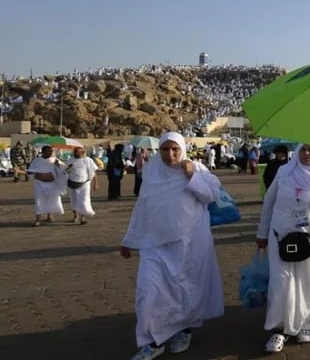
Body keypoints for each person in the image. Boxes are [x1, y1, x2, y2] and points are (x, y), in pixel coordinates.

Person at [120, 132, 224, 360]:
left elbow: (211, 196)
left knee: (185, 290)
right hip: (155, 245)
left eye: (175, 149)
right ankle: (151, 341)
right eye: (165, 149)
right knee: (148, 292)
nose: (170, 154)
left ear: (183, 149)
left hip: (189, 244)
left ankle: (184, 330)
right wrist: (129, 239)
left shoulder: (197, 169)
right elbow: (142, 207)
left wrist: (191, 178)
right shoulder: (152, 171)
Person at [255, 144, 310, 354]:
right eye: (303, 150)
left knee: (309, 283)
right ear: (296, 152)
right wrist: (262, 233)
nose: (306, 154)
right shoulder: (285, 172)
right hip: (280, 237)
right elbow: (269, 202)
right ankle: (279, 329)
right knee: (281, 283)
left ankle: (305, 325)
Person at [27, 145, 67, 227]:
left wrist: (58, 165)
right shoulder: (37, 161)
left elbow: (63, 171)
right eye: (48, 151)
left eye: (51, 151)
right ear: (43, 152)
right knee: (39, 201)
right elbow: (31, 171)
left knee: (51, 199)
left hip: (52, 184)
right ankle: (38, 219)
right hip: (39, 184)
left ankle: (49, 216)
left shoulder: (55, 160)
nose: (50, 153)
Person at [65, 146, 99, 224]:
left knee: (84, 200)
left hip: (85, 183)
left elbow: (94, 172)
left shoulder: (88, 160)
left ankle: (82, 218)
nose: (75, 153)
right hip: (72, 182)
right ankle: (75, 216)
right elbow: (65, 171)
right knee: (73, 200)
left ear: (82, 152)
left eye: (77, 151)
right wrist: (68, 168)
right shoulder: (70, 160)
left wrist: (95, 183)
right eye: (75, 151)